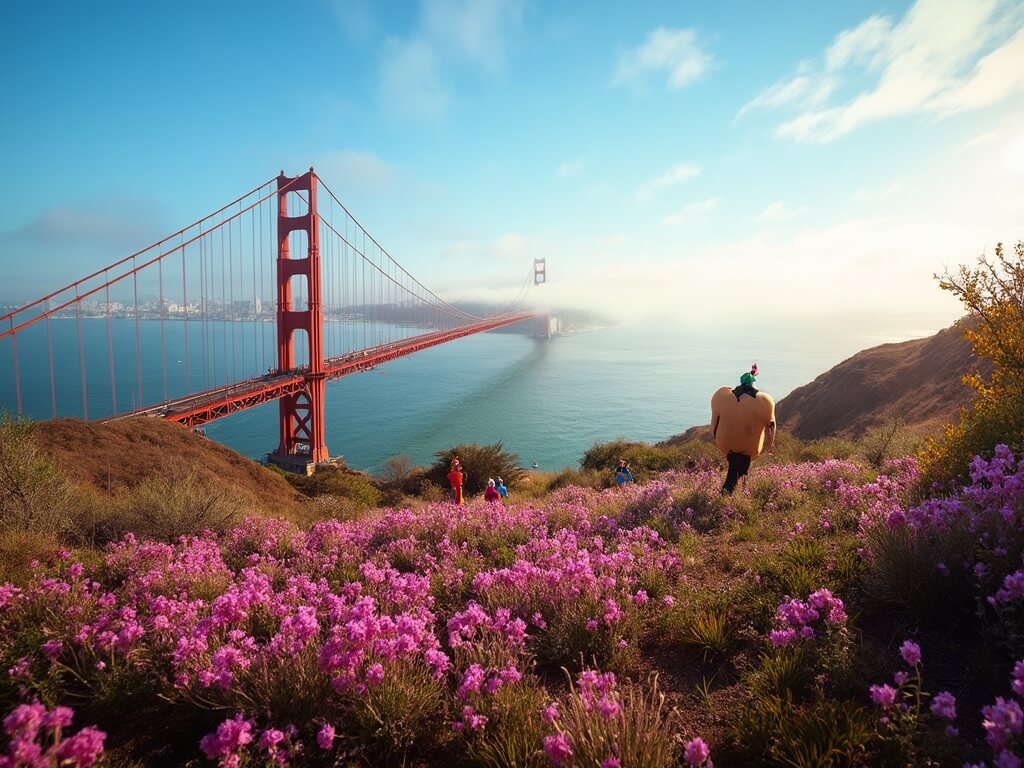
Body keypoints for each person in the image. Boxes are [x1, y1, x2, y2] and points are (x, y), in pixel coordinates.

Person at [711, 362, 776, 495]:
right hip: (750, 447)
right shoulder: (764, 401)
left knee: (735, 468)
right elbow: (771, 426)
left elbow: (714, 423)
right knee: (738, 470)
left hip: (726, 444)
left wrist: (715, 437)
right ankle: (731, 493)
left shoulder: (722, 396)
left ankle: (732, 492)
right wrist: (769, 445)